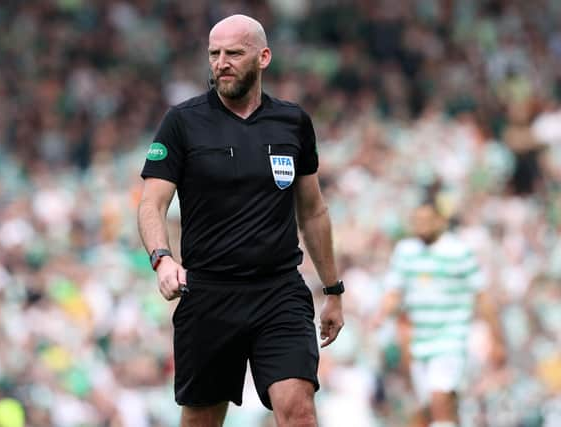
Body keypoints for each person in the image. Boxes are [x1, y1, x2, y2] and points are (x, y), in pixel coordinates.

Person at [137, 14, 344, 427]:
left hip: (279, 290)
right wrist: (163, 259)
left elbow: (313, 210)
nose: (221, 62)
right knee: (202, 419)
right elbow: (150, 204)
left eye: (233, 53)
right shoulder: (182, 122)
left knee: (299, 408)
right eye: (214, 54)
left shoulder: (293, 122)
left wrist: (333, 289)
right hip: (209, 294)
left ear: (263, 56)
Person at [372, 198, 505, 427]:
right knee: (430, 408)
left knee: (439, 399)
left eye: (426, 220)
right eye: (417, 221)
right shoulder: (406, 251)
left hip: (451, 337)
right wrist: (381, 314)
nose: (421, 226)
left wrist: (496, 339)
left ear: (440, 221)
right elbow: (394, 291)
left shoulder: (458, 252)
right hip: (419, 340)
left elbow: (481, 296)